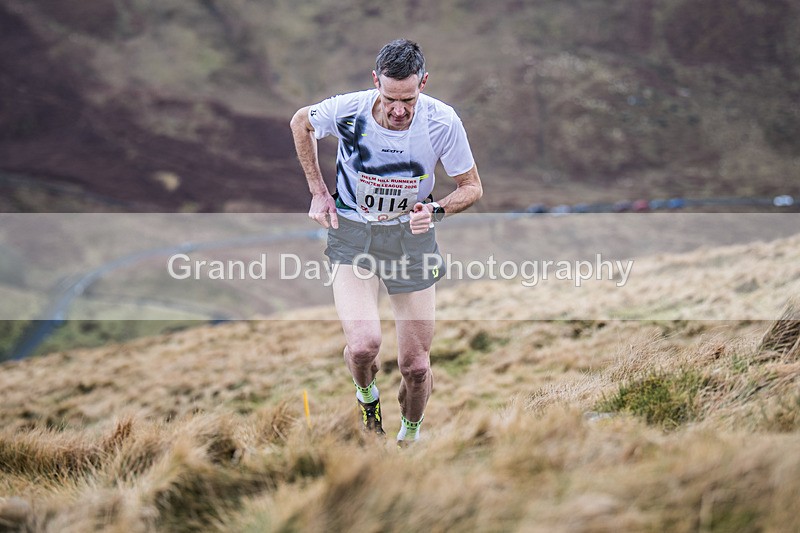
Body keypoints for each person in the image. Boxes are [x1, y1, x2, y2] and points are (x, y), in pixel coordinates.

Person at [290, 39, 482, 445]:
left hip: (410, 241)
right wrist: (319, 192)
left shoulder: (442, 122)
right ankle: (367, 398)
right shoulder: (349, 110)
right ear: (375, 81)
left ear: (423, 84)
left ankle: (409, 438)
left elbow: (471, 187)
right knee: (363, 347)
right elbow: (300, 122)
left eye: (408, 99)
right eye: (390, 98)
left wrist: (437, 210)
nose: (398, 110)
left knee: (416, 367)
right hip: (353, 234)